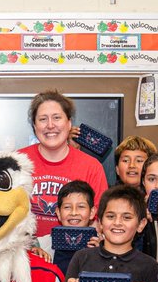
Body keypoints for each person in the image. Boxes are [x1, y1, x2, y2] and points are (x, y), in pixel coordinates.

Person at [17, 90, 108, 237]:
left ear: (69, 123)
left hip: (76, 255)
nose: (50, 125)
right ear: (34, 125)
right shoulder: (17, 162)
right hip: (26, 254)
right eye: (43, 119)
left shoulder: (92, 167)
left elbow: (100, 219)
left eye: (57, 118)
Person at [34, 180, 100, 276]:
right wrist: (33, 252)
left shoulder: (101, 245)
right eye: (67, 207)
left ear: (92, 212)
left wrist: (104, 254)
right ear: (58, 213)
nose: (73, 213)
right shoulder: (43, 244)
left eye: (81, 207)